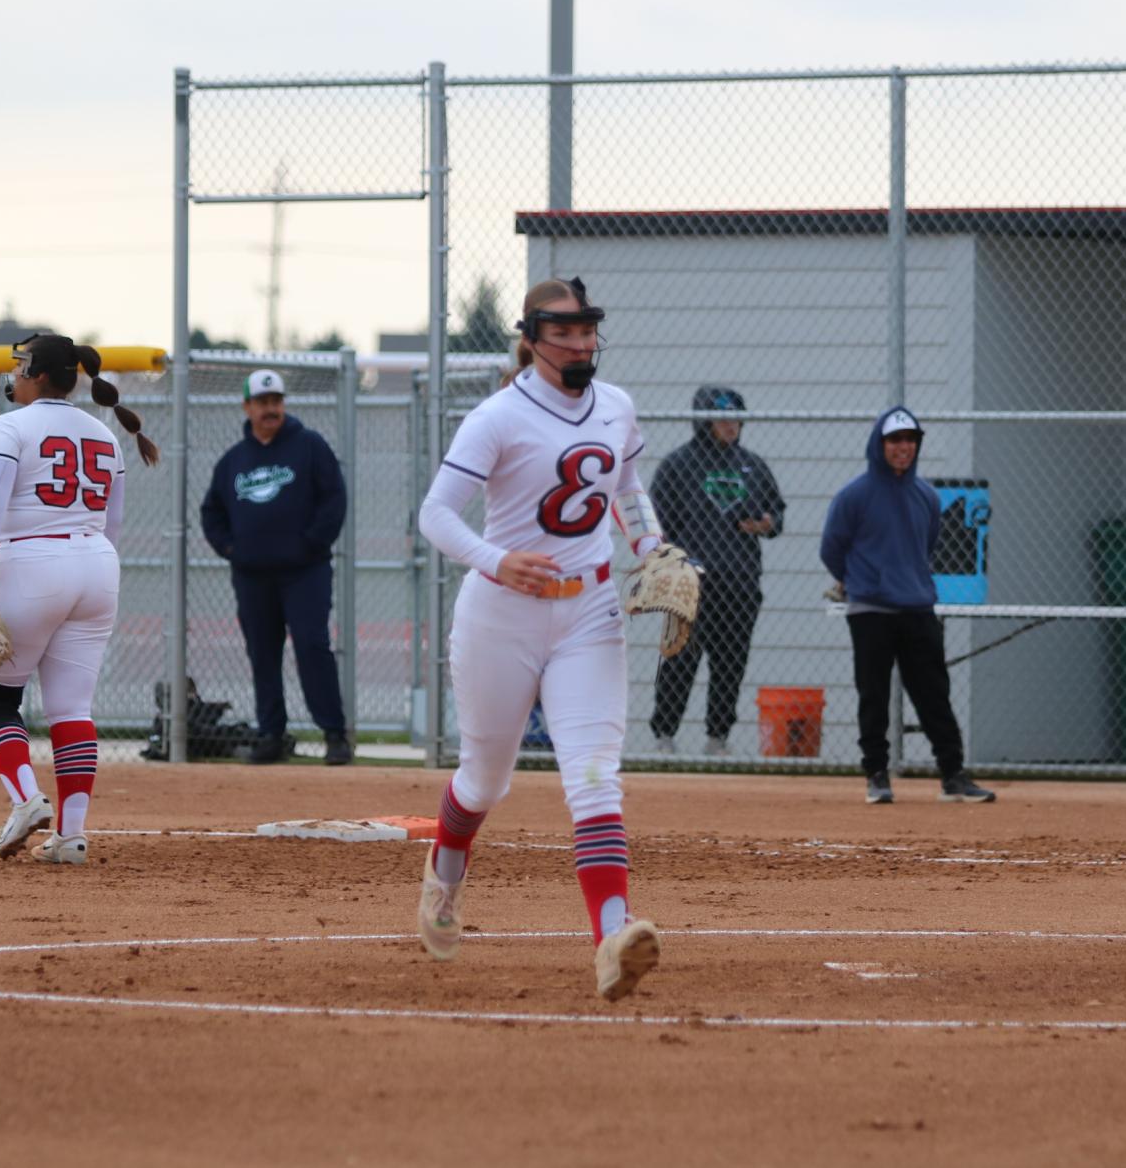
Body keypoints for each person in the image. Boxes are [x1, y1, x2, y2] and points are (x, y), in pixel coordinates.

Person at [414, 277, 665, 1001]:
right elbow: (436, 514)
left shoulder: (614, 406)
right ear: (532, 338)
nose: (582, 342)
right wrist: (496, 559)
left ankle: (612, 938)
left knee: (592, 774)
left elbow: (625, 489)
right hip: (501, 614)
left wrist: (651, 548)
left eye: (589, 329)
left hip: (588, 610)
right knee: (485, 778)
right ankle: (446, 872)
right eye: (565, 331)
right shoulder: (497, 417)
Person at [0, 334, 160, 864]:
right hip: (97, 566)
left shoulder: (10, 426)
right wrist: (91, 577)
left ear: (41, 374)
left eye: (21, 365)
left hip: (29, 563)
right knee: (71, 708)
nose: (15, 374)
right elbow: (112, 526)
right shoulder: (104, 434)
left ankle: (26, 799)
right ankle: (70, 835)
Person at [820, 407, 996, 805]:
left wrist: (908, 581)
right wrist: (861, 581)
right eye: (895, 440)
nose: (903, 448)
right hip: (871, 610)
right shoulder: (854, 496)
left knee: (934, 693)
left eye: (910, 440)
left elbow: (927, 544)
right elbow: (832, 548)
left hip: (917, 606)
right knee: (874, 694)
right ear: (879, 445)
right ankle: (877, 776)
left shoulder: (926, 496)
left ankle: (953, 776)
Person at [200, 370, 352, 766]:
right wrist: (233, 548)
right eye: (263, 402)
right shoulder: (234, 460)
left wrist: (310, 544)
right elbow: (211, 511)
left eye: (276, 401)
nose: (271, 409)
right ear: (247, 407)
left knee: (311, 644)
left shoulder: (309, 446)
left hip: (305, 571)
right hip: (252, 574)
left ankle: (334, 734)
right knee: (262, 653)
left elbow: (334, 499)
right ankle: (271, 734)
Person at [648, 385, 785, 756]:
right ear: (703, 421)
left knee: (730, 661)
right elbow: (658, 524)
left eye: (736, 417)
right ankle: (664, 735)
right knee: (680, 658)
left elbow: (777, 515)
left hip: (739, 583)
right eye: (722, 417)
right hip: (690, 585)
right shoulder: (678, 465)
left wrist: (766, 524)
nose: (731, 425)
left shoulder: (753, 465)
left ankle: (718, 738)